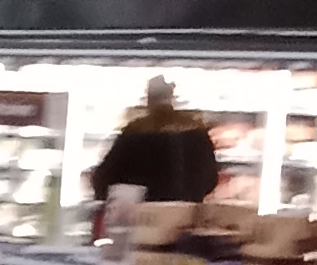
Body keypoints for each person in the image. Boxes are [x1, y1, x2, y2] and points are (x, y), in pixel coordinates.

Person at [88, 75, 219, 224]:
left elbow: (105, 177)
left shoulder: (136, 130)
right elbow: (210, 179)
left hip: (145, 219)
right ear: (171, 97)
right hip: (186, 218)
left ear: (148, 98)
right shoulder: (194, 130)